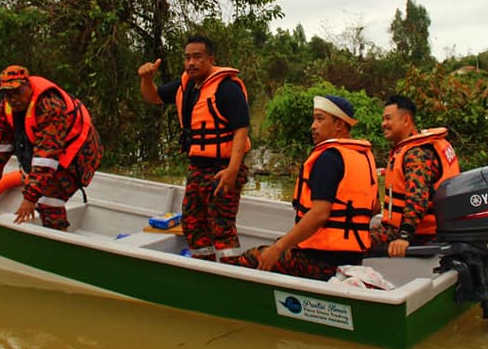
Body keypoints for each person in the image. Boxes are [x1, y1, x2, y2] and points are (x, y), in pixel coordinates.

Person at [238, 95, 378, 280]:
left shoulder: (328, 158)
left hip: (320, 260)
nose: (313, 126)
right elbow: (375, 208)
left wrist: (278, 248)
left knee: (252, 258)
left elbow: (320, 214)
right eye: (314, 119)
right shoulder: (363, 157)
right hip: (352, 259)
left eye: (320, 119)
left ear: (339, 125)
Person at [137, 35, 250, 263]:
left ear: (210, 59)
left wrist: (232, 170)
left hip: (222, 169)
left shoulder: (227, 88)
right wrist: (146, 78)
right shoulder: (185, 85)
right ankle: (204, 267)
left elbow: (241, 129)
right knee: (192, 223)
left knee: (222, 227)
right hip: (197, 168)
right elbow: (152, 96)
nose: (191, 63)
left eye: (197, 57)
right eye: (187, 58)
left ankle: (232, 273)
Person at [0, 65, 103, 230]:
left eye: (18, 92)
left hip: (80, 151)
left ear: (28, 86)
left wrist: (30, 198)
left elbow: (47, 155)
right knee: (40, 185)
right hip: (53, 149)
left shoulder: (49, 106)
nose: (14, 99)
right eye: (8, 94)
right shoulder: (6, 106)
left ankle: (57, 237)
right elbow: (0, 147)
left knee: (49, 198)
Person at [371, 95, 460, 257]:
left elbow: (417, 199)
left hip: (418, 234)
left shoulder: (416, 153)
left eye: (388, 118)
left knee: (355, 241)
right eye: (383, 119)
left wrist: (404, 236)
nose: (383, 124)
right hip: (406, 228)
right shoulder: (409, 148)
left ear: (406, 120)